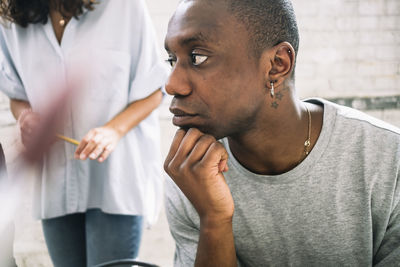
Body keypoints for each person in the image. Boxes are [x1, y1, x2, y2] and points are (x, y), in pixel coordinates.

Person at [163, 0, 400, 266]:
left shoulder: (387, 160)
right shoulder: (191, 172)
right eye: (172, 60)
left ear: (277, 65)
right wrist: (214, 219)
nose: (171, 84)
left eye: (198, 57)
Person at [0, 0, 169, 266]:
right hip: (55, 182)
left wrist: (112, 132)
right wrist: (25, 116)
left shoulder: (125, 8)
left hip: (115, 180)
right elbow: (16, 95)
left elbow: (154, 89)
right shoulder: (11, 20)